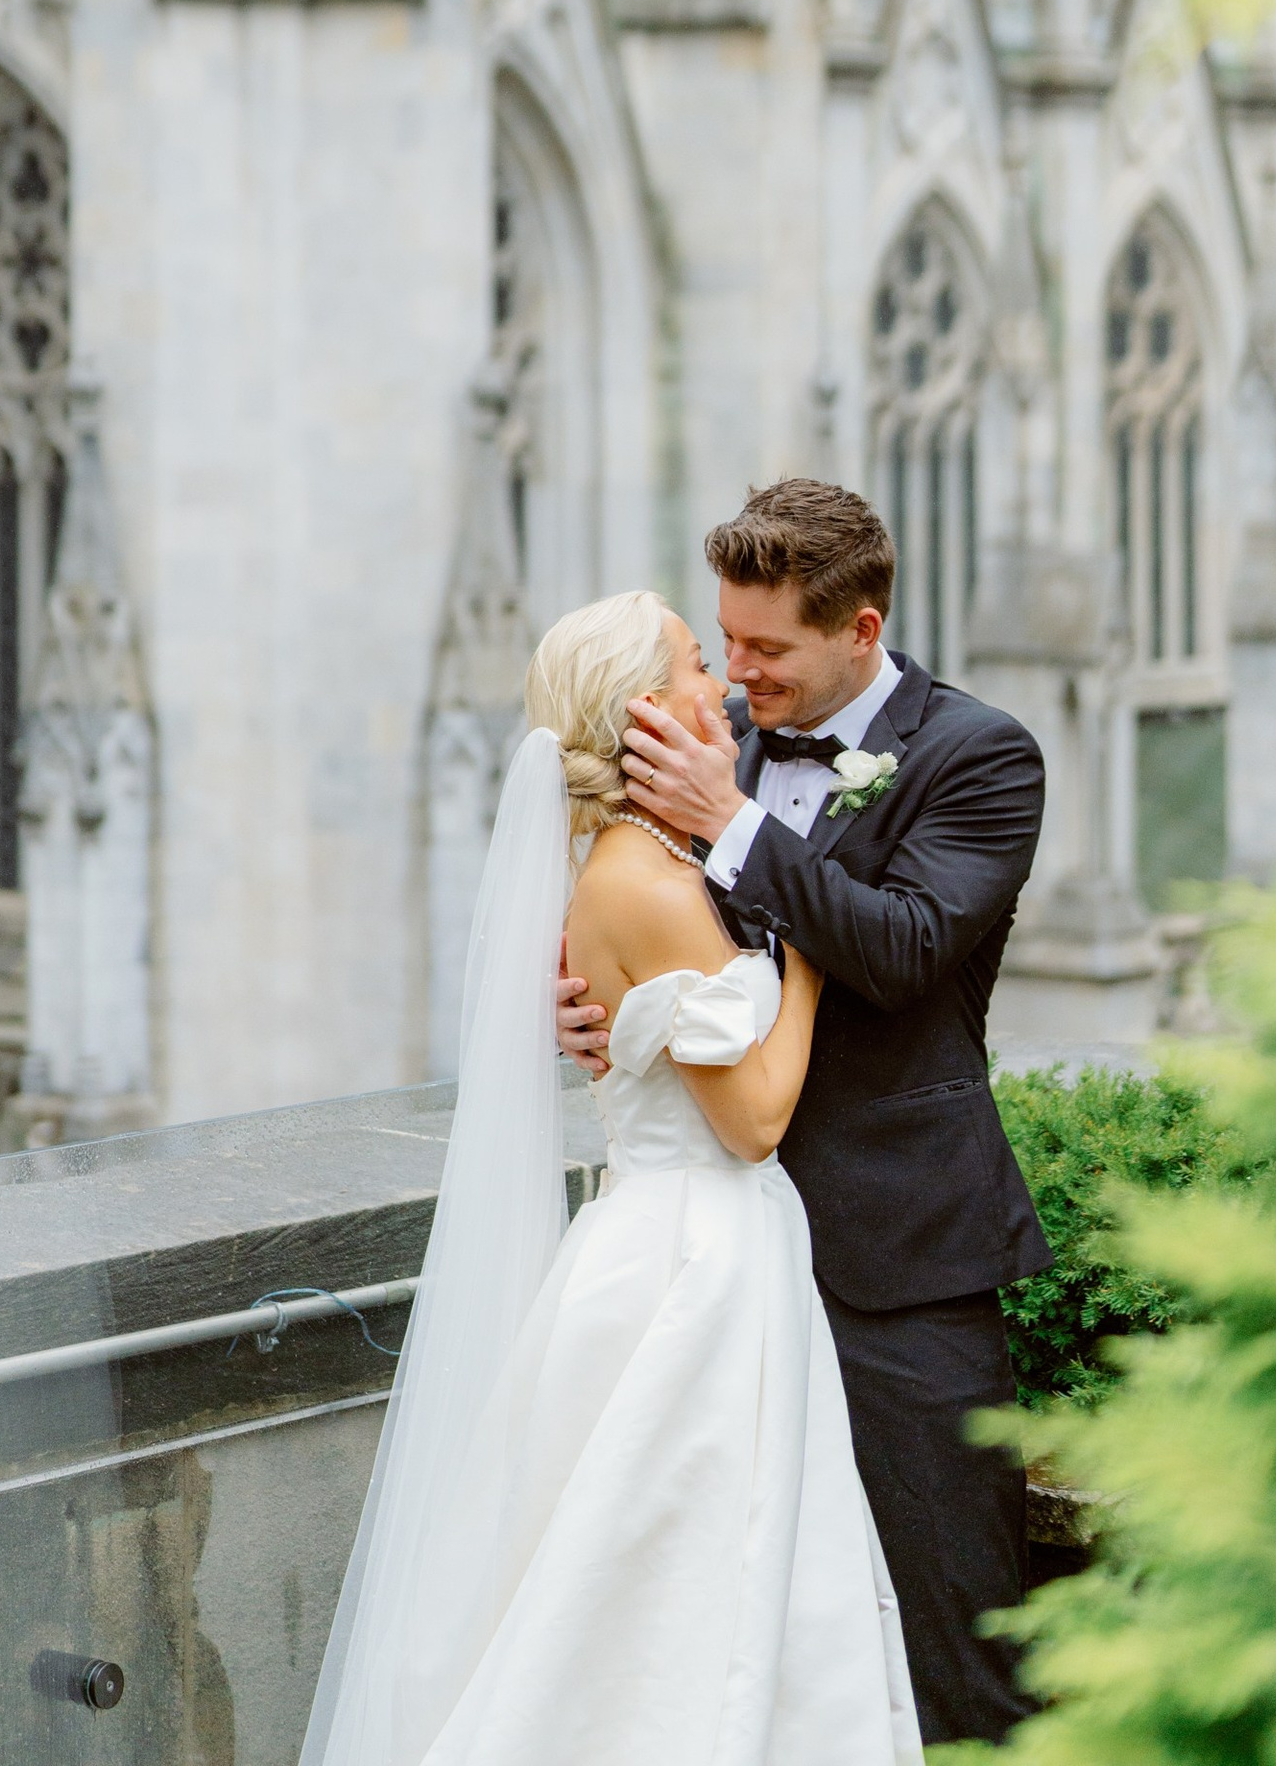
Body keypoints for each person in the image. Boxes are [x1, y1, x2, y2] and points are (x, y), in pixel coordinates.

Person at [301, 590, 918, 1766]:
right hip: (699, 1260)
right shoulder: (650, 885)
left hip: (666, 1240)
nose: (722, 687)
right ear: (646, 708)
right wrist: (806, 965)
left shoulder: (626, 868)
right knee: (681, 1586)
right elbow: (752, 1122)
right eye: (696, 662)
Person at [558, 478, 1049, 1747]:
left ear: (862, 631)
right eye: (725, 640)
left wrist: (729, 825)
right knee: (741, 1645)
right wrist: (608, 1015)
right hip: (719, 1274)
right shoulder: (715, 731)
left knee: (955, 1639)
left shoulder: (979, 756)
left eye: (768, 648)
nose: (736, 673)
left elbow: (900, 948)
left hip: (899, 1267)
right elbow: (658, 942)